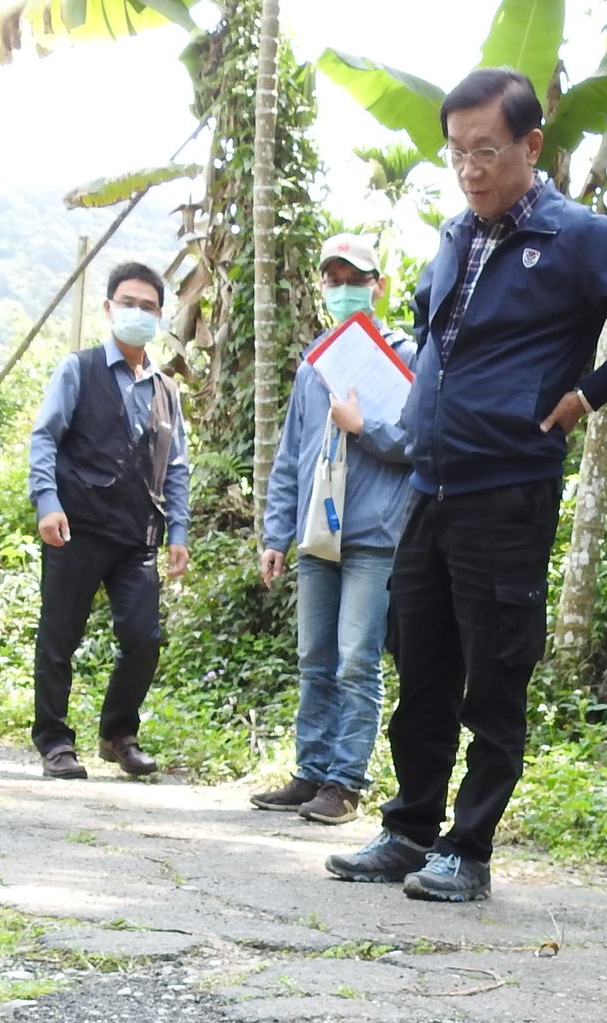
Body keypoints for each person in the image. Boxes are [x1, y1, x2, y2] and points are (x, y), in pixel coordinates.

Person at [324, 66, 607, 902]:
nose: (470, 169)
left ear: (532, 145)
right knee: (419, 664)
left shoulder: (576, 237)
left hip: (508, 489)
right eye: (456, 153)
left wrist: (588, 393)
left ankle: (470, 849)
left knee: (494, 670)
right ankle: (407, 829)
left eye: (486, 151)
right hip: (431, 486)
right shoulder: (458, 233)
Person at [254, 234, 416, 826]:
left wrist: (362, 424)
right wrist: (276, 534)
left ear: (378, 285)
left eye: (356, 278)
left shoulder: (406, 356)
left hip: (375, 535)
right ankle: (311, 772)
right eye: (333, 278)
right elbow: (291, 455)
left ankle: (345, 783)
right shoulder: (314, 363)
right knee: (314, 658)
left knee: (356, 660)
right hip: (316, 536)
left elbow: (418, 442)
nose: (344, 288)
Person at [26, 260, 191, 781]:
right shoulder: (80, 369)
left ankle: (118, 734)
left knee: (144, 637)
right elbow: (45, 437)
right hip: (76, 527)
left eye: (148, 306)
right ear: (108, 308)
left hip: (136, 536)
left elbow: (178, 467)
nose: (137, 313)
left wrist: (179, 532)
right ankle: (54, 741)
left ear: (161, 316)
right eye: (129, 303)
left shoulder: (166, 390)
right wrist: (47, 501)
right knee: (60, 637)